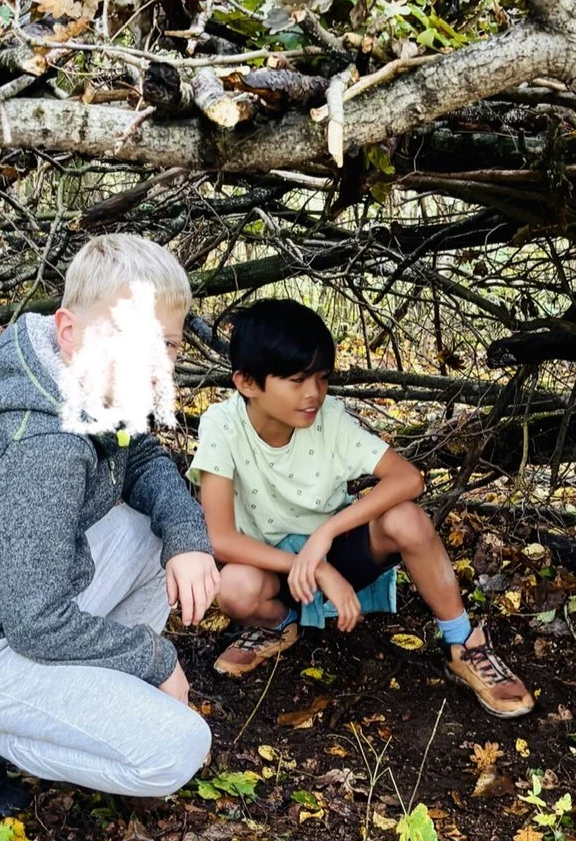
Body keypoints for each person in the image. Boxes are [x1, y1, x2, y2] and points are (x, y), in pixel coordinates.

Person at [0, 234, 220, 825]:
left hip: (13, 611)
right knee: (177, 750)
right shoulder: (40, 444)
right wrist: (154, 658)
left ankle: (84, 705)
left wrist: (187, 537)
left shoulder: (77, 380)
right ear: (69, 331)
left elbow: (140, 457)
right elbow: (37, 624)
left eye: (165, 345)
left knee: (151, 534)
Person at [190, 298, 533, 718]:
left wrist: (326, 535)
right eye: (297, 380)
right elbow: (220, 540)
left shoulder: (328, 418)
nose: (314, 393)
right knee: (233, 589)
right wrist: (315, 567)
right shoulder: (222, 427)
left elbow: (408, 479)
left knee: (407, 518)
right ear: (246, 382)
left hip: (337, 551)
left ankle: (461, 643)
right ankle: (276, 625)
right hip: (271, 567)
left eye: (321, 377)